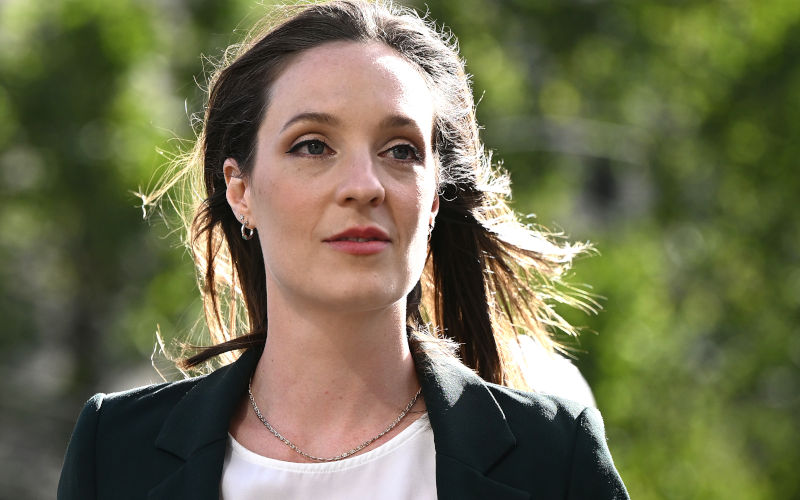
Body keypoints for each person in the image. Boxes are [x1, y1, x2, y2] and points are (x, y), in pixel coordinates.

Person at [57, 1, 628, 498]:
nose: (365, 185)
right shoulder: (115, 451)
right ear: (241, 190)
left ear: (432, 202)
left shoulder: (554, 457)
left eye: (401, 151)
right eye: (313, 146)